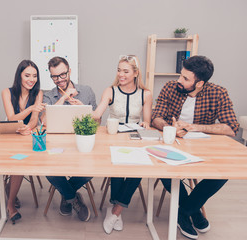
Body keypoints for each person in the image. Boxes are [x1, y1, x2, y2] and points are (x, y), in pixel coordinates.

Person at [151, 55, 239, 239]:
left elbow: (231, 127)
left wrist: (195, 127)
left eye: (185, 78)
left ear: (200, 83)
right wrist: (170, 128)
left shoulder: (218, 93)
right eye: (180, 75)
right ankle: (192, 211)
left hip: (202, 146)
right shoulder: (170, 88)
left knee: (225, 173)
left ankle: (185, 211)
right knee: (162, 167)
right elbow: (156, 116)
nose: (179, 80)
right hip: (172, 143)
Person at [92, 55, 152, 234]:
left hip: (135, 141)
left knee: (138, 169)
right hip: (112, 140)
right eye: (119, 70)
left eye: (125, 71)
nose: (121, 74)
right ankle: (116, 211)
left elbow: (147, 122)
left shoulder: (145, 94)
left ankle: (115, 211)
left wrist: (145, 124)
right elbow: (98, 112)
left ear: (135, 73)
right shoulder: (110, 91)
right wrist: (91, 113)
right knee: (117, 168)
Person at [43, 56, 97, 222]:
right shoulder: (48, 96)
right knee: (48, 171)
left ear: (70, 71)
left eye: (62, 75)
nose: (59, 80)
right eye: (55, 77)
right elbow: (44, 121)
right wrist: (63, 99)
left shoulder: (87, 90)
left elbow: (97, 122)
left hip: (81, 143)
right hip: (56, 144)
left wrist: (83, 109)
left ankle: (66, 194)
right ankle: (73, 199)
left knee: (93, 169)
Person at [1, 59, 45, 223]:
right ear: (19, 75)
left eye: (34, 76)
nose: (31, 79)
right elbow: (12, 119)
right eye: (27, 75)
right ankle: (11, 204)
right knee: (16, 163)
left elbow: (34, 120)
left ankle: (10, 203)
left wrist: (28, 128)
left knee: (19, 163)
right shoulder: (6, 92)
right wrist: (30, 108)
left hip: (27, 134)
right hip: (10, 134)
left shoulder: (38, 93)